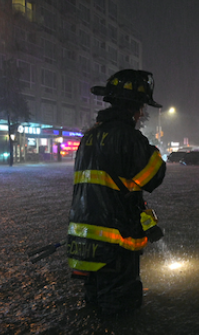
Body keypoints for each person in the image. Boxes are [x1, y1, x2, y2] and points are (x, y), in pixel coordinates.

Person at [67, 69, 167, 315]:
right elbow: (154, 175)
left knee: (94, 305)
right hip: (115, 244)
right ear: (134, 108)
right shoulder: (128, 138)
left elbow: (113, 186)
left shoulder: (88, 139)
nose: (141, 113)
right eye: (141, 107)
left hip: (83, 241)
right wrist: (151, 150)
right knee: (120, 311)